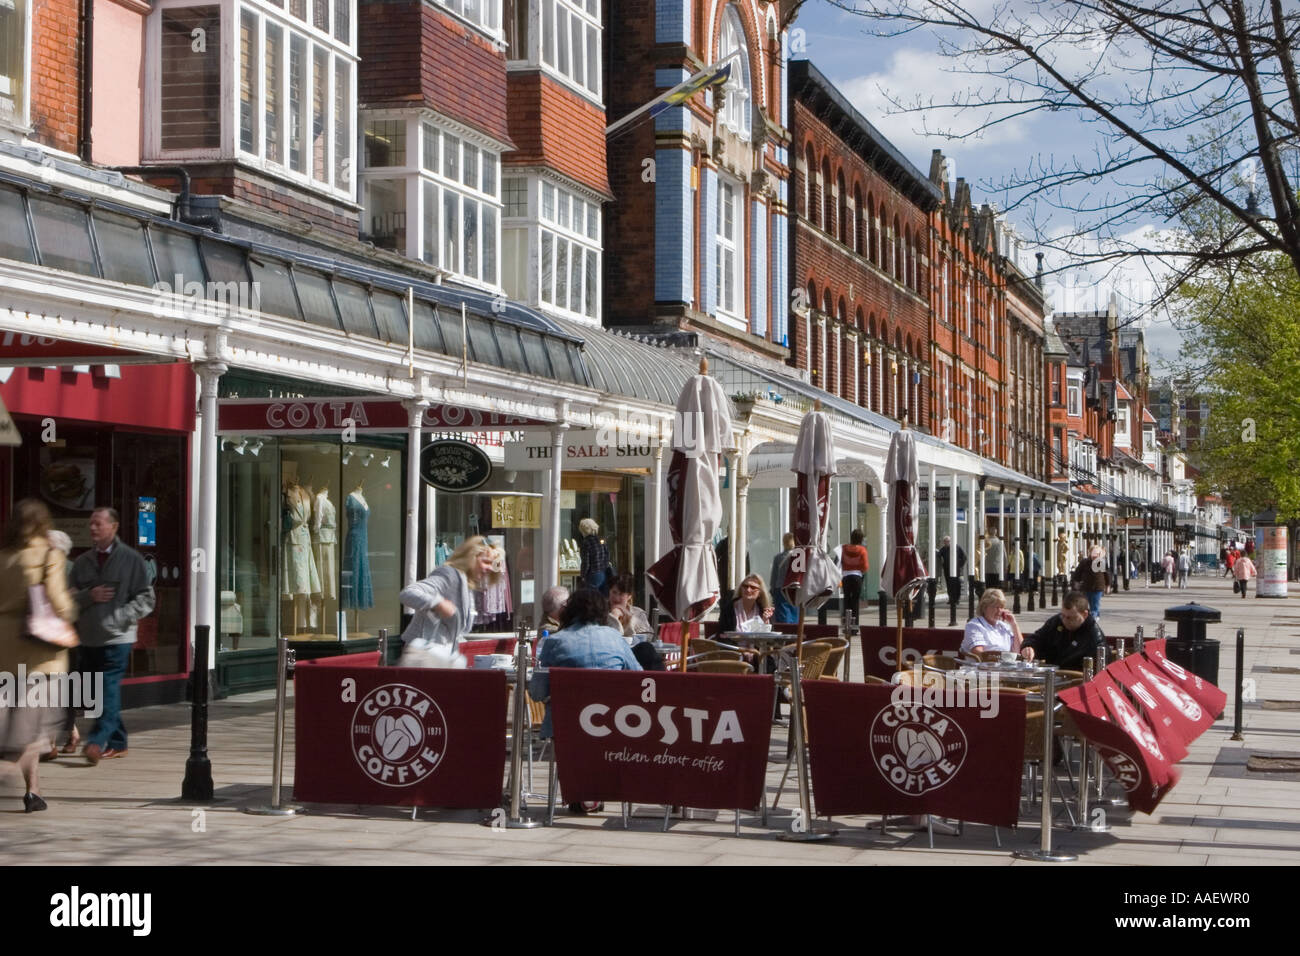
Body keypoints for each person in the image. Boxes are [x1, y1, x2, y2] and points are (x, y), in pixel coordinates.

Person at [528, 589, 641, 814]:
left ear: (569, 612)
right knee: (597, 735)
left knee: (575, 736)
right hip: (611, 721)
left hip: (567, 724)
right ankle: (592, 791)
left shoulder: (555, 642)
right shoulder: (614, 638)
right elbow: (638, 677)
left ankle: (580, 792)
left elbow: (537, 692)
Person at [0, 500, 77, 810]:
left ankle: (34, 791)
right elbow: (59, 602)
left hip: (4, 653)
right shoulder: (49, 555)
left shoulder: (3, 557)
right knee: (32, 729)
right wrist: (72, 611)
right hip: (40, 654)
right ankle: (8, 773)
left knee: (21, 727)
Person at [69, 507, 155, 764]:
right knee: (99, 693)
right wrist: (89, 596)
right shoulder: (82, 562)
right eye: (91, 524)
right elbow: (69, 597)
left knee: (107, 688)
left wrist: (122, 616)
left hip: (118, 638)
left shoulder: (132, 560)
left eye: (98, 524)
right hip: (89, 637)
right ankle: (118, 742)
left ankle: (96, 741)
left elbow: (147, 597)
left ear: (114, 527)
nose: (93, 529)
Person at [398, 536, 502, 667]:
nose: (490, 568)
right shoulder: (450, 574)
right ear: (470, 557)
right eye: (486, 562)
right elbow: (408, 593)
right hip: (425, 657)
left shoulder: (468, 584)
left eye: (492, 564)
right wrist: (438, 603)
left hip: (440, 657)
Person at [1020, 591, 1104, 670]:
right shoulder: (1056, 622)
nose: (1065, 621)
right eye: (1063, 615)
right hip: (1052, 674)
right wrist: (1029, 647)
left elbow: (1100, 670)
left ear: (1085, 614)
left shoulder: (1094, 637)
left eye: (1070, 618)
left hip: (1076, 680)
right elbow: (1037, 637)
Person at [960, 588, 1023, 656]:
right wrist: (999, 659)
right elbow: (978, 652)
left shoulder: (1004, 626)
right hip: (983, 665)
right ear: (984, 607)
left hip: (1005, 665)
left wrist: (1014, 624)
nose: (999, 611)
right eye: (996, 607)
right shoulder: (975, 625)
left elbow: (1021, 650)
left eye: (1001, 607)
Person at [1071, 545, 1111, 621]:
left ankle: (1093, 618)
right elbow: (1078, 573)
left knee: (1095, 604)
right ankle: (1094, 616)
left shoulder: (1101, 562)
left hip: (1098, 587)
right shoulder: (1085, 562)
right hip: (1086, 587)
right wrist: (1076, 582)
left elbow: (1107, 574)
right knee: (1086, 604)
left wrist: (1108, 585)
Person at [839, 529, 869, 626]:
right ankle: (854, 625)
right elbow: (865, 567)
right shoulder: (862, 550)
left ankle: (846, 624)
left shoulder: (844, 548)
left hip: (846, 577)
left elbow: (840, 561)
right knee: (855, 601)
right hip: (857, 577)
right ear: (861, 539)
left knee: (846, 599)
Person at [769, 533, 799, 624]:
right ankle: (794, 630)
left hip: (780, 587)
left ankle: (785, 630)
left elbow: (774, 575)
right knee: (794, 611)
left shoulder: (778, 557)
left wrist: (772, 589)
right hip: (794, 588)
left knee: (783, 612)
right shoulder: (798, 556)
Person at [577, 518, 610, 593]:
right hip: (603, 573)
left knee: (591, 598)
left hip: (593, 574)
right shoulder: (601, 540)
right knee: (602, 598)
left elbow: (586, 562)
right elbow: (607, 555)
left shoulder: (586, 543)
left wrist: (582, 576)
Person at [937, 535, 966, 613]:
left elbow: (964, 557)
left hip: (956, 569)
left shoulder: (957, 547)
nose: (946, 543)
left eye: (948, 541)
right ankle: (951, 598)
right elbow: (939, 555)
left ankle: (957, 599)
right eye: (945, 542)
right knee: (949, 584)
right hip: (947, 570)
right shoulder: (943, 549)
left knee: (956, 584)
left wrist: (959, 565)